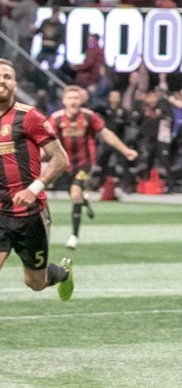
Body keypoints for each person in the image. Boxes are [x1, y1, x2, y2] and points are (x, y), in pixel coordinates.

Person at [0, 58, 74, 300]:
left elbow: (60, 159)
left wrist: (34, 189)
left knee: (35, 282)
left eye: (7, 77)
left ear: (14, 84)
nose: (2, 81)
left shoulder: (29, 116)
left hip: (30, 215)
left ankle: (62, 274)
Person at [48, 86, 138, 250]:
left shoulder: (89, 117)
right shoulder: (56, 119)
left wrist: (125, 150)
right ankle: (85, 201)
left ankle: (74, 236)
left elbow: (105, 133)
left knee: (75, 194)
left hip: (85, 164)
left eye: (76, 98)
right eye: (70, 98)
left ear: (81, 100)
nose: (73, 101)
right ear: (64, 101)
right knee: (75, 195)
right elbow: (46, 142)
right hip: (65, 164)